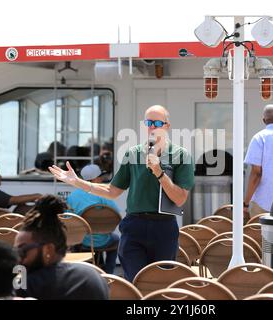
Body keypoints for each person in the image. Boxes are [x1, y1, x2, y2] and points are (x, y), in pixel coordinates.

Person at [49, 105, 195, 282]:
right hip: (134, 226)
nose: (152, 127)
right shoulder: (132, 153)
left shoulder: (181, 155)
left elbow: (180, 199)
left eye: (157, 122)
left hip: (163, 227)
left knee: (161, 284)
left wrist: (159, 173)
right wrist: (78, 182)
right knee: (134, 282)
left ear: (167, 126)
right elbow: (112, 191)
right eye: (148, 122)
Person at [15, 194, 109, 300]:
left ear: (48, 250)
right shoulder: (93, 276)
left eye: (22, 250)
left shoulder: (26, 286)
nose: (18, 257)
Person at [66, 163, 120, 274]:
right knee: (117, 240)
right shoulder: (103, 194)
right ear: (95, 179)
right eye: (100, 177)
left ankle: (79, 272)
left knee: (74, 242)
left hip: (81, 241)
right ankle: (109, 273)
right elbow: (116, 215)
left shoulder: (72, 196)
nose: (102, 179)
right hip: (103, 241)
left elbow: (68, 219)